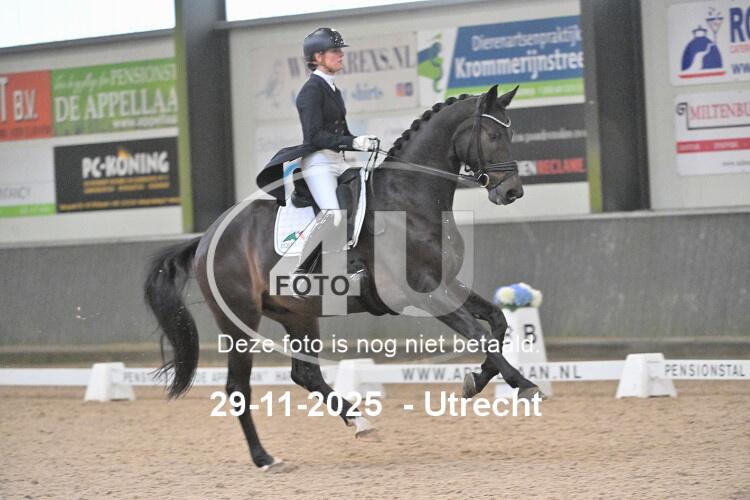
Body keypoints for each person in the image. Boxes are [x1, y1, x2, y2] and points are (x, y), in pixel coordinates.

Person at [257, 27, 379, 275]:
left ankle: (356, 259)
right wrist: (354, 143)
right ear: (318, 57)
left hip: (338, 162)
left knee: (366, 201)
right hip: (319, 164)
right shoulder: (310, 91)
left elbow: (340, 132)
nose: (341, 55)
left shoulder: (334, 90)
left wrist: (361, 141)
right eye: (335, 51)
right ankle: (303, 269)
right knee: (333, 215)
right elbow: (315, 136)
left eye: (340, 51)